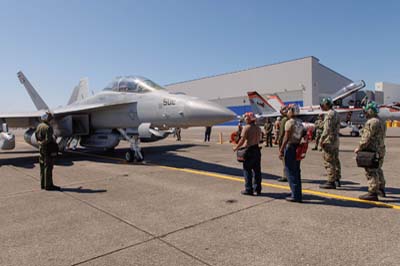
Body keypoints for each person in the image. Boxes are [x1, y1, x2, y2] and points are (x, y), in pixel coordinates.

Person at [354, 102, 386, 201]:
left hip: (372, 150)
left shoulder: (371, 122)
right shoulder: (381, 121)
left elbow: (366, 138)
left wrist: (359, 147)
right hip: (380, 148)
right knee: (378, 169)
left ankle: (373, 192)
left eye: (367, 111)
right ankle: (381, 188)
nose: (365, 113)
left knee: (371, 171)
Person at [233, 112, 262, 196]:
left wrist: (236, 147)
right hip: (257, 150)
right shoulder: (258, 128)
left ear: (249, 119)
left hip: (249, 150)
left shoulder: (246, 128)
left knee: (247, 170)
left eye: (246, 117)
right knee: (257, 171)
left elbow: (242, 140)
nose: (245, 119)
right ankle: (258, 189)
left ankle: (249, 189)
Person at [279, 104, 303, 202]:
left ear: (292, 111)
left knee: (289, 171)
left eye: (289, 110)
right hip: (298, 147)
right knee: (296, 171)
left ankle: (295, 195)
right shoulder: (300, 122)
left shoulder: (289, 122)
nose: (287, 112)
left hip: (290, 147)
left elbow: (286, 137)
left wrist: (281, 149)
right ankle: (297, 192)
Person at [319, 97, 342, 189]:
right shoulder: (336, 113)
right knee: (336, 160)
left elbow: (327, 129)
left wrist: (321, 140)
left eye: (323, 104)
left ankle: (331, 181)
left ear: (327, 104)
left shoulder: (329, 114)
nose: (321, 106)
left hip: (329, 140)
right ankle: (337, 179)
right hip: (335, 140)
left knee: (329, 161)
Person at [35, 112, 60, 191]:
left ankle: (43, 184)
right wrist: (44, 143)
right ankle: (49, 185)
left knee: (42, 167)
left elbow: (36, 136)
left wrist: (40, 143)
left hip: (41, 149)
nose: (51, 119)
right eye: (49, 117)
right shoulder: (48, 127)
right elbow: (48, 139)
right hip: (47, 149)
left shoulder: (39, 126)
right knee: (48, 167)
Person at [277, 106, 289, 182]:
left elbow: (281, 133)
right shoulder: (291, 119)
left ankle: (286, 176)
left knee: (285, 160)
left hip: (285, 143)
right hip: (292, 142)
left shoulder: (284, 120)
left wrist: (279, 143)